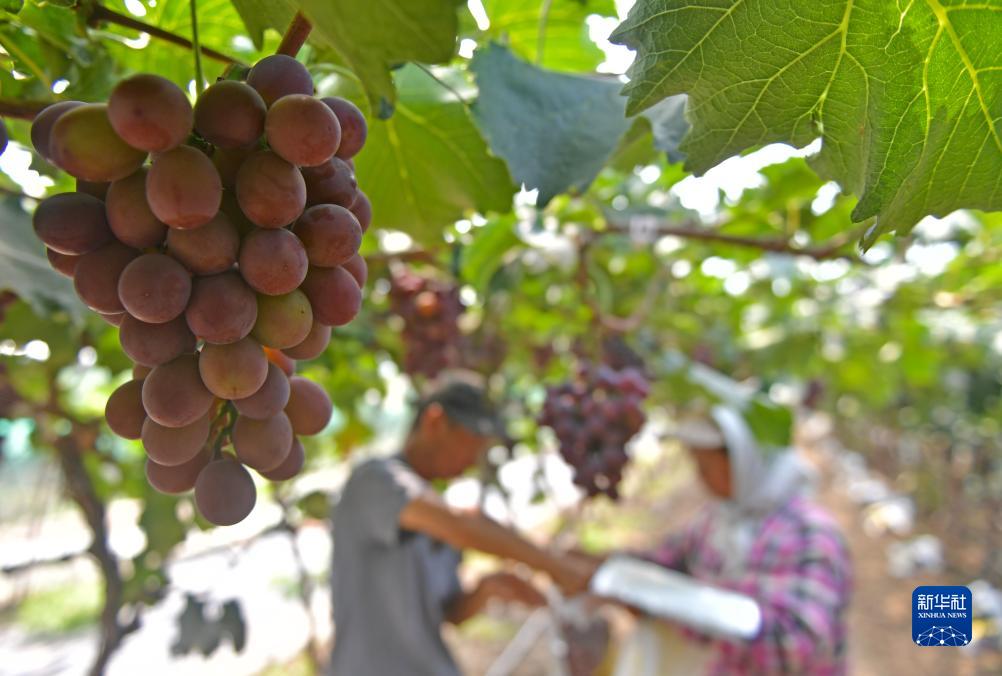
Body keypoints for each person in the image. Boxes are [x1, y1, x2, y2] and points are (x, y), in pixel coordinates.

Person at [329, 380, 595, 676]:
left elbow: (450, 614)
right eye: (472, 444)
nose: (472, 461)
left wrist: (489, 588)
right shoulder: (376, 482)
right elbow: (462, 524)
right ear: (435, 421)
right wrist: (555, 566)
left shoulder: (433, 511)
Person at [594, 405, 853, 675]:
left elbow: (791, 648)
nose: (700, 476)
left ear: (745, 462)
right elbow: (666, 561)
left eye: (706, 466)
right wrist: (604, 569)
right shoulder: (717, 521)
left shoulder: (809, 535)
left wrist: (687, 613)